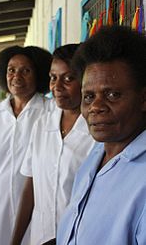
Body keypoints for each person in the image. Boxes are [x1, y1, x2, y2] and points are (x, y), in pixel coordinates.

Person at [57, 25, 146, 245]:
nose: (96, 106)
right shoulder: (96, 155)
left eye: (112, 94)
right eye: (88, 96)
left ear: (143, 99)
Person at [10, 44, 95, 245]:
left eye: (68, 79)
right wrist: (15, 240)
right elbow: (31, 187)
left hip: (81, 238)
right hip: (39, 236)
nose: (57, 86)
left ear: (86, 80)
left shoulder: (97, 133)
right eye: (53, 77)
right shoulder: (42, 125)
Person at [0, 45, 55, 245]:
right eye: (11, 70)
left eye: (25, 71)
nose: (16, 76)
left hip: (38, 208)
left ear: (38, 75)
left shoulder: (50, 112)